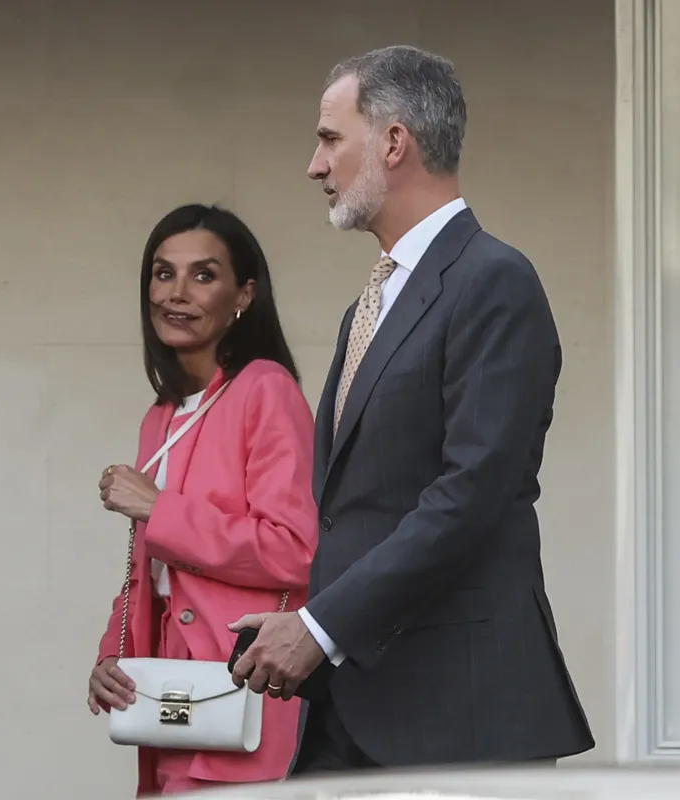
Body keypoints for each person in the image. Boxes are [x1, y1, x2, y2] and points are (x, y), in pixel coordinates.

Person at [229, 45, 595, 773]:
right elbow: (359, 512)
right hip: (352, 707)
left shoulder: (495, 281)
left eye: (331, 138)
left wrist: (319, 626)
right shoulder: (367, 305)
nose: (314, 164)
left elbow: (470, 496)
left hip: (457, 721)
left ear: (394, 143)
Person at [88, 204, 319, 796]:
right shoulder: (160, 417)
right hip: (165, 691)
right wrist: (114, 655)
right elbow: (150, 574)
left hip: (242, 682)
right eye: (163, 274)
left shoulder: (266, 390)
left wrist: (158, 507)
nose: (177, 293)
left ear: (243, 295)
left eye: (203, 275)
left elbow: (294, 549)